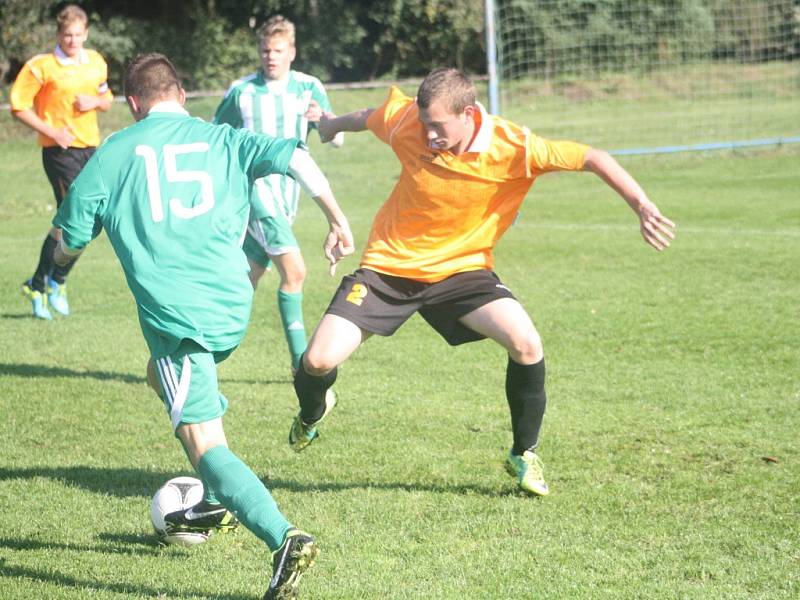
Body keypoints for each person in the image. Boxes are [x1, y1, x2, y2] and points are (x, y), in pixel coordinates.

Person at [287, 68, 676, 497]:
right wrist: (330, 124)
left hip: (463, 271)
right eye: (425, 123)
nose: (429, 134)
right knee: (318, 360)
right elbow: (370, 115)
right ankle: (313, 410)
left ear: (469, 113)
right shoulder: (407, 123)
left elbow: (592, 157)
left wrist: (641, 204)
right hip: (388, 268)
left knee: (526, 343)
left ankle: (523, 454)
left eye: (439, 126)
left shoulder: (515, 148)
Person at [53, 53, 353, 598]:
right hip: (232, 306)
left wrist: (58, 269)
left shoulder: (115, 151)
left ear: (131, 102)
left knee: (202, 442)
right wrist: (337, 217)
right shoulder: (225, 138)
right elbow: (296, 158)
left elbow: (70, 237)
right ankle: (218, 497)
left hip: (179, 319)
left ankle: (282, 536)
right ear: (182, 94)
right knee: (158, 375)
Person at [214, 15, 344, 375]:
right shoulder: (241, 91)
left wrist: (325, 121)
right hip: (256, 193)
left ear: (292, 52)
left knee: (245, 278)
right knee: (295, 273)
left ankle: (200, 348)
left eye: (278, 50)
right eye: (265, 50)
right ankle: (302, 366)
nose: (270, 56)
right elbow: (215, 137)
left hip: (289, 197)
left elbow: (335, 138)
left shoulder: (308, 87)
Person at [10, 3, 113, 320]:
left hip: (89, 150)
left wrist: (95, 101)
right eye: (67, 34)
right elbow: (18, 106)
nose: (73, 40)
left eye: (78, 34)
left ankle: (54, 280)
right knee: (72, 220)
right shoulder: (41, 66)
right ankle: (42, 286)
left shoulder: (95, 61)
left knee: (89, 222)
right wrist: (52, 131)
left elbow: (107, 98)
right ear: (59, 33)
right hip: (59, 153)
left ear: (86, 34)